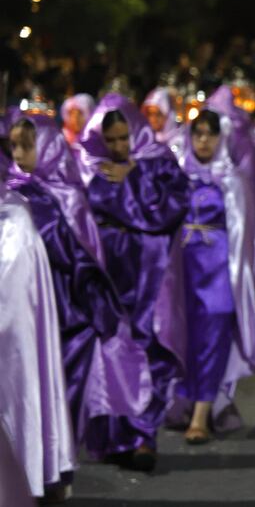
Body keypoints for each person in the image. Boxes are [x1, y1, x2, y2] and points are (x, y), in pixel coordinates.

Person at [7, 115, 149, 451]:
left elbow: (84, 257)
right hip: (25, 301)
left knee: (66, 379)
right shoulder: (12, 193)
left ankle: (60, 452)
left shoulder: (69, 197)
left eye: (27, 146)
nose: (17, 154)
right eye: (13, 146)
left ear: (48, 148)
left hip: (66, 305)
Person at [79, 94, 189, 472]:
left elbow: (174, 206)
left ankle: (144, 435)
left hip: (148, 270)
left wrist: (136, 175)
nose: (118, 147)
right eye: (110, 140)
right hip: (105, 270)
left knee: (147, 348)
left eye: (124, 138)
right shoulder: (85, 168)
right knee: (110, 349)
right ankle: (116, 438)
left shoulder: (158, 164)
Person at [170, 109, 255, 443]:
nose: (204, 140)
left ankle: (200, 414)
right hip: (183, 270)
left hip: (220, 269)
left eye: (210, 133)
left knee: (213, 335)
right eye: (198, 133)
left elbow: (246, 232)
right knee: (187, 338)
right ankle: (186, 401)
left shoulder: (232, 179)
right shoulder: (178, 175)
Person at [0, 149, 77, 502]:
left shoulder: (17, 218)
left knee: (18, 388)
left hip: (11, 340)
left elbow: (16, 312)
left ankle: (28, 474)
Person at [141, 87, 184, 154]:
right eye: (150, 114)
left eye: (158, 114)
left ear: (168, 114)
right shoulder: (146, 141)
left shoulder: (182, 141)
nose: (153, 119)